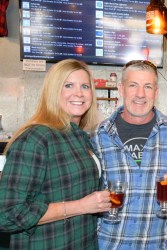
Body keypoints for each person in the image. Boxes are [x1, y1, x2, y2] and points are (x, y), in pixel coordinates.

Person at [0, 59, 111, 249]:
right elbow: (6, 214)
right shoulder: (36, 138)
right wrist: (81, 206)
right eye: (68, 85)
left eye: (85, 86)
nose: (79, 93)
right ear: (53, 91)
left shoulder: (81, 137)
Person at [91, 60, 167, 249]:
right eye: (133, 85)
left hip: (157, 243)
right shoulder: (99, 135)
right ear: (121, 89)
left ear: (156, 93)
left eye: (147, 87)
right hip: (110, 243)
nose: (140, 94)